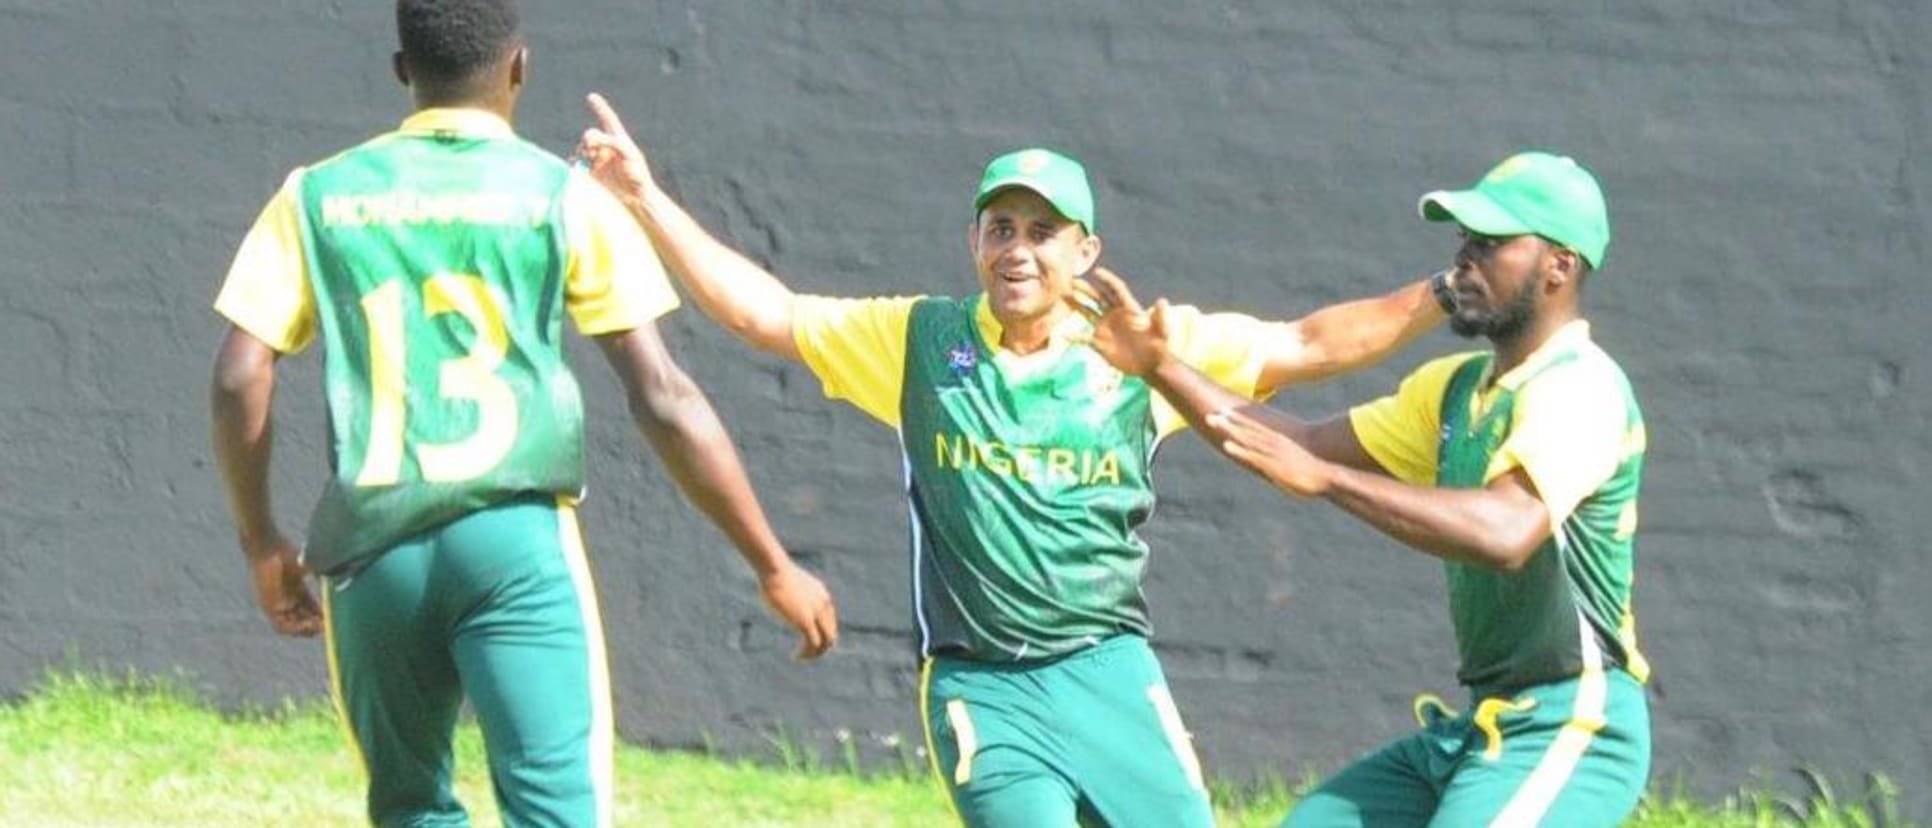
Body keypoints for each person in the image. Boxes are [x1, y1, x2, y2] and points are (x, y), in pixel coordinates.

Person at [574, 94, 1447, 827]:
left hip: (1108, 668)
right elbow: (763, 313)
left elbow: (1311, 342)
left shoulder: (1141, 349)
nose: (1019, 250)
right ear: (975, 243)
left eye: (1043, 231)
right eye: (1001, 228)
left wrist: (1445, 294)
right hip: (983, 686)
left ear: (1085, 252)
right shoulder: (921, 341)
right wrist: (644, 195)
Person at [207, 2, 838, 825]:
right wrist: (771, 563)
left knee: (409, 806)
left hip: (371, 548)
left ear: (404, 71)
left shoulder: (317, 195)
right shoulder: (561, 195)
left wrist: (262, 543)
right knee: (555, 808)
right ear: (519, 68)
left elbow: (238, 374)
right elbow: (664, 394)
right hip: (513, 546)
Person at [1073, 152, 1650, 827]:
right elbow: (1300, 445)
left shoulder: (1580, 386)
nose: (1466, 257)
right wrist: (1159, 366)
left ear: (1560, 265)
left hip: (1576, 721)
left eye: (1492, 243)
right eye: (1464, 239)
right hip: (1486, 725)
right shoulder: (1457, 389)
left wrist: (1327, 482)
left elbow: (1506, 533)